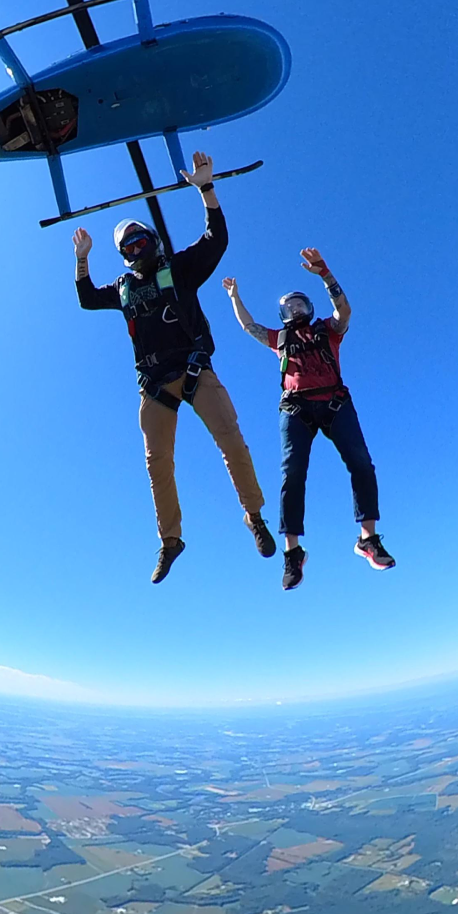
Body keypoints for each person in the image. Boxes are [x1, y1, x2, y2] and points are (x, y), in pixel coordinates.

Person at [73, 151, 276, 582]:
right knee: (157, 463)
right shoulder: (123, 288)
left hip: (194, 370)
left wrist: (206, 189)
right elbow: (87, 297)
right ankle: (170, 541)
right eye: (127, 248)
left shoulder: (179, 269)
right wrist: (83, 258)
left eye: (139, 241)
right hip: (154, 386)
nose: (134, 250)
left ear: (153, 242)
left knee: (231, 440)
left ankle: (253, 516)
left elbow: (215, 240)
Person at [223, 248, 394, 590]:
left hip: (335, 402)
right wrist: (234, 297)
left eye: (301, 304)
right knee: (293, 474)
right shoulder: (280, 340)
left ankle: (368, 540)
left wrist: (326, 275)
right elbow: (248, 326)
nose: (296, 310)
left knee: (362, 463)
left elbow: (344, 311)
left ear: (310, 308)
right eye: (290, 307)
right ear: (283, 314)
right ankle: (293, 553)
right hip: (296, 409)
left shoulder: (327, 331)